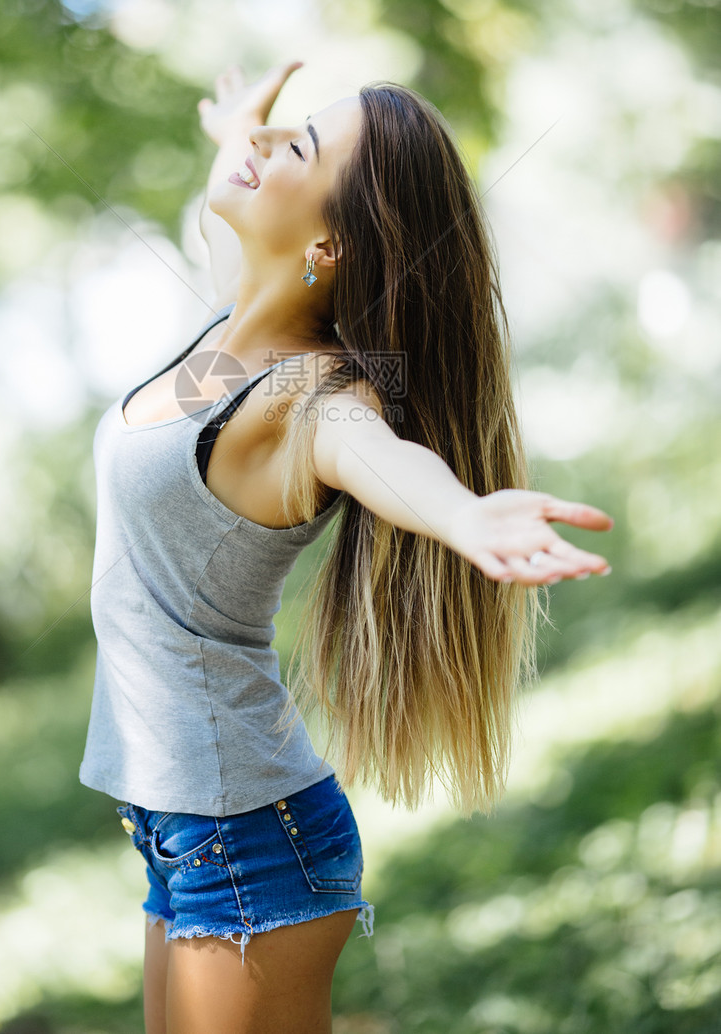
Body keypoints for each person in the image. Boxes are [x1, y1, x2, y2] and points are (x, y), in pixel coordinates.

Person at [78, 61, 614, 1034]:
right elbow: (227, 220)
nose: (262, 149)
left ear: (328, 243)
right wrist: (236, 138)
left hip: (244, 835)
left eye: (298, 147)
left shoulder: (306, 397)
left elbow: (375, 456)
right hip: (182, 822)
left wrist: (461, 515)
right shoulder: (224, 354)